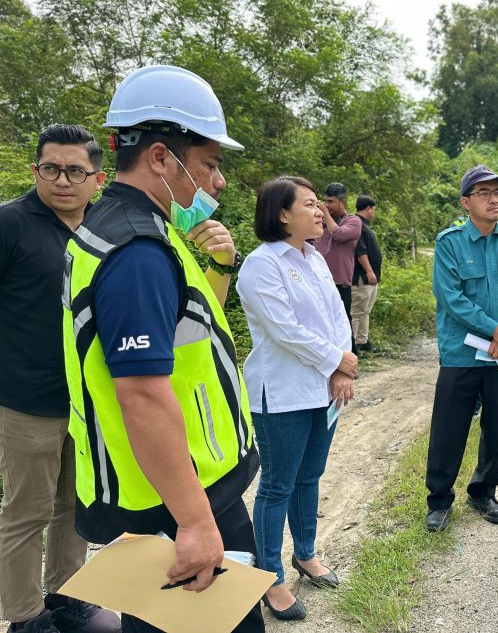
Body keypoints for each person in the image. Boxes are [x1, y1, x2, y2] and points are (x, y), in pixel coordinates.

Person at [61, 65, 264, 633]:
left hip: (172, 487)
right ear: (159, 157)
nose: (218, 183)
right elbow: (143, 396)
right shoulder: (138, 251)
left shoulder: (126, 227)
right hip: (176, 500)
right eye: (210, 164)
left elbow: (190, 341)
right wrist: (196, 522)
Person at [0, 125, 119, 633]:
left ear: (98, 178)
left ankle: (67, 597)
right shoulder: (11, 224)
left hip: (87, 400)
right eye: (52, 169)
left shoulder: (106, 228)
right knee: (26, 511)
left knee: (75, 505)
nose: (63, 180)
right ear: (36, 171)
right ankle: (24, 617)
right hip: (26, 399)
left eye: (76, 171)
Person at [236, 176, 356, 621]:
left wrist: (342, 367)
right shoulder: (261, 264)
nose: (320, 211)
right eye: (309, 204)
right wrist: (337, 363)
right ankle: (268, 577)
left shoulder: (315, 259)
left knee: (310, 476)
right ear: (282, 214)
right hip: (282, 393)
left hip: (322, 389)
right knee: (277, 485)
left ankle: (305, 554)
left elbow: (337, 317)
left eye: (318, 204)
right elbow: (285, 331)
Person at [424, 165, 498, 532]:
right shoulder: (450, 243)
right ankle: (439, 500)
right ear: (465, 202)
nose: (494, 199)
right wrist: (494, 330)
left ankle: (483, 491)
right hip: (461, 353)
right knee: (449, 428)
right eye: (484, 193)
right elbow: (450, 298)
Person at [315, 182, 362, 352]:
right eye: (325, 202)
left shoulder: (353, 221)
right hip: (319, 279)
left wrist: (325, 214)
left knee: (342, 319)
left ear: (342, 201)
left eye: (331, 202)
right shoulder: (320, 220)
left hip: (340, 280)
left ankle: (350, 354)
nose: (327, 205)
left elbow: (339, 234)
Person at [351, 195, 382, 353]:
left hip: (370, 278)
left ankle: (363, 341)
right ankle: (352, 344)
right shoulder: (358, 224)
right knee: (357, 311)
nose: (374, 213)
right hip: (362, 277)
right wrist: (369, 271)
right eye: (373, 209)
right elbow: (360, 251)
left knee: (365, 310)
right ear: (368, 208)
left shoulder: (364, 225)